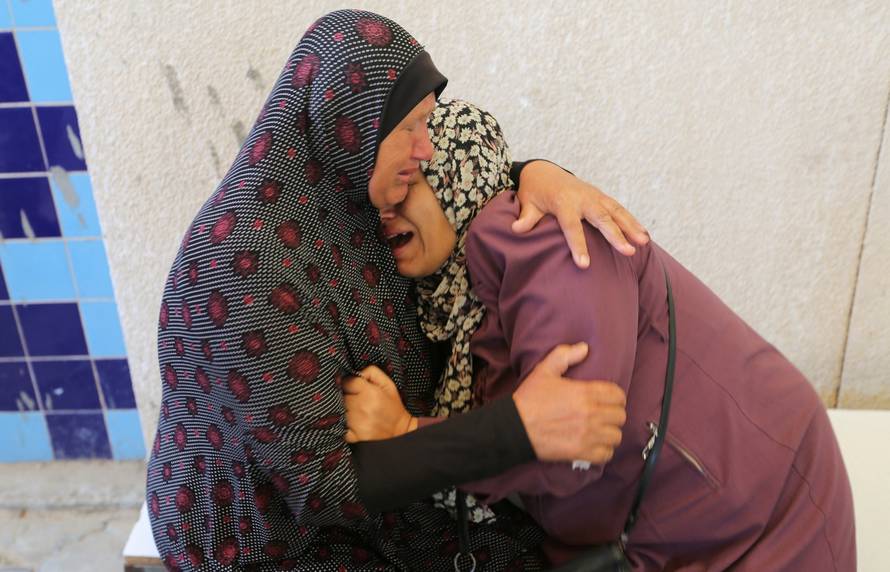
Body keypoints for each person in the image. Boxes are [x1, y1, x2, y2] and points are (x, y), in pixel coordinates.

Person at [147, 10, 646, 570]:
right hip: (273, 538)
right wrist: (517, 428)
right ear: (348, 122)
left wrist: (540, 175)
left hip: (393, 486)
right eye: (408, 130)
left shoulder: (346, 195)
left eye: (425, 127)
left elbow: (467, 173)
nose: (425, 150)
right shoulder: (244, 266)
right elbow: (323, 489)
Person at [346, 99, 856, 570]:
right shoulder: (447, 297)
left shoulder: (544, 239)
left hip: (762, 511)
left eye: (408, 180)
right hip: (670, 529)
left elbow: (575, 441)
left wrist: (408, 437)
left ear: (455, 176)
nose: (385, 206)